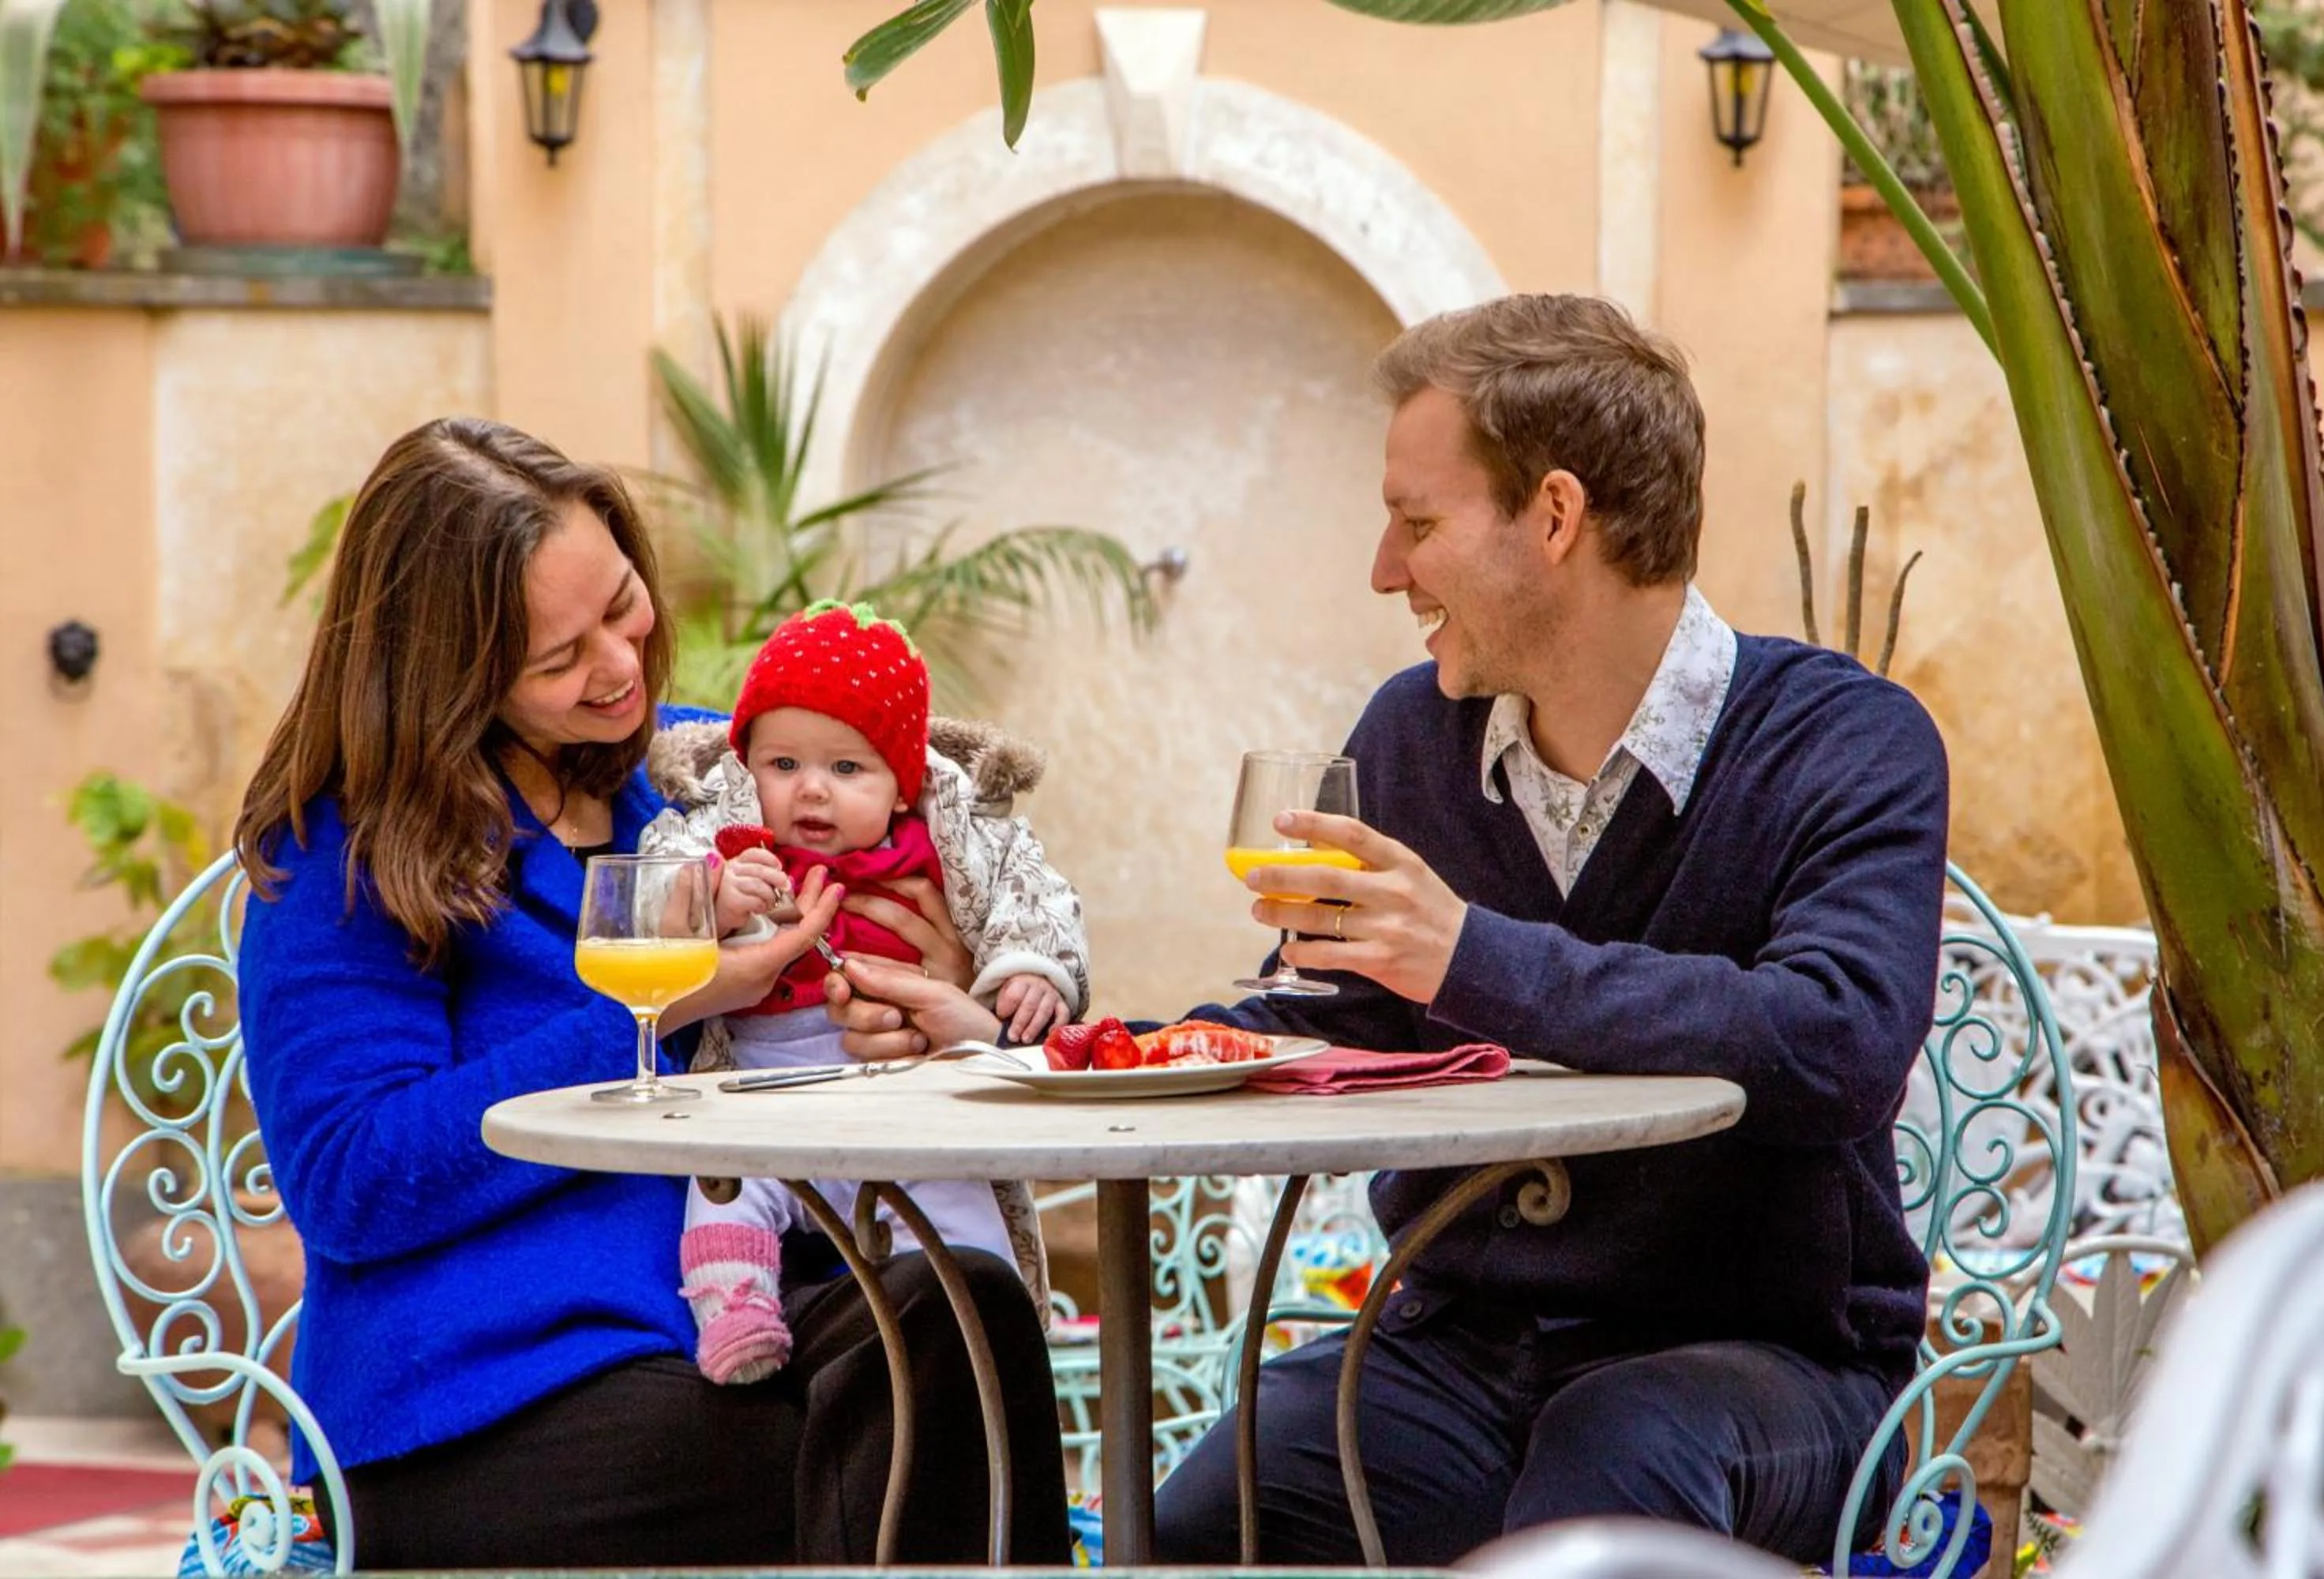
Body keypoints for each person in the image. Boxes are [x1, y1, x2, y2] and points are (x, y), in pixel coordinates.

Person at [830, 294, 1947, 1566]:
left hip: (1768, 1362)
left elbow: (1839, 1040)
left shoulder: (1845, 740)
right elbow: (1323, 1020)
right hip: (1462, 1350)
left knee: (1611, 1469)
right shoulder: (1414, 733)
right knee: (1194, 1528)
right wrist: (1036, 1047)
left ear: (1556, 516)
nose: (1383, 568)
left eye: (1417, 524)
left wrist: (1468, 955)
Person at [231, 417, 1073, 1569]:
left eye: (623, 604)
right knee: (838, 1459)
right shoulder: (345, 849)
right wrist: (659, 1007)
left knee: (962, 1316)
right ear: (447, 675)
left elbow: (963, 889)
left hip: (746, 1310)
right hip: (481, 1398)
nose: (621, 666)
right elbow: (349, 1181)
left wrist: (946, 999)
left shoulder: (708, 773)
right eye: (558, 658)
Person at [634, 598, 1089, 1386]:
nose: (811, 790)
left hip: (906, 1095)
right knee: (725, 1186)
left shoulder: (951, 836)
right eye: (783, 765)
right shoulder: (723, 834)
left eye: (847, 769)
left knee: (965, 1234)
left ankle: (985, 1357)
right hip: (761, 1088)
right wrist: (711, 897)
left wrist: (1027, 969)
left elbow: (1035, 891)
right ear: (747, 764)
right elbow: (648, 890)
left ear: (902, 784)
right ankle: (737, 1314)